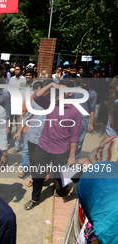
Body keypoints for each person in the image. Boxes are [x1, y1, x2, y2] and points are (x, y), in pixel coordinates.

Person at [24, 81, 82, 210]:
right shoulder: (51, 104)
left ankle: (61, 189)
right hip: (43, 145)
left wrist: (72, 156)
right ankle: (35, 198)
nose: (58, 93)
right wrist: (50, 85)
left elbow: (74, 136)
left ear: (70, 93)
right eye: (57, 90)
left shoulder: (75, 112)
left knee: (60, 174)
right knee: (38, 173)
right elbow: (37, 97)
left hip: (61, 149)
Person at [71, 72, 97, 159]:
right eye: (83, 80)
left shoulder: (93, 94)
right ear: (81, 80)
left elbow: (92, 110)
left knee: (79, 143)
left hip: (83, 122)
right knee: (68, 141)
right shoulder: (74, 90)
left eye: (87, 81)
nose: (85, 82)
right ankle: (65, 159)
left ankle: (75, 160)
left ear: (91, 81)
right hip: (70, 120)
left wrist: (91, 124)